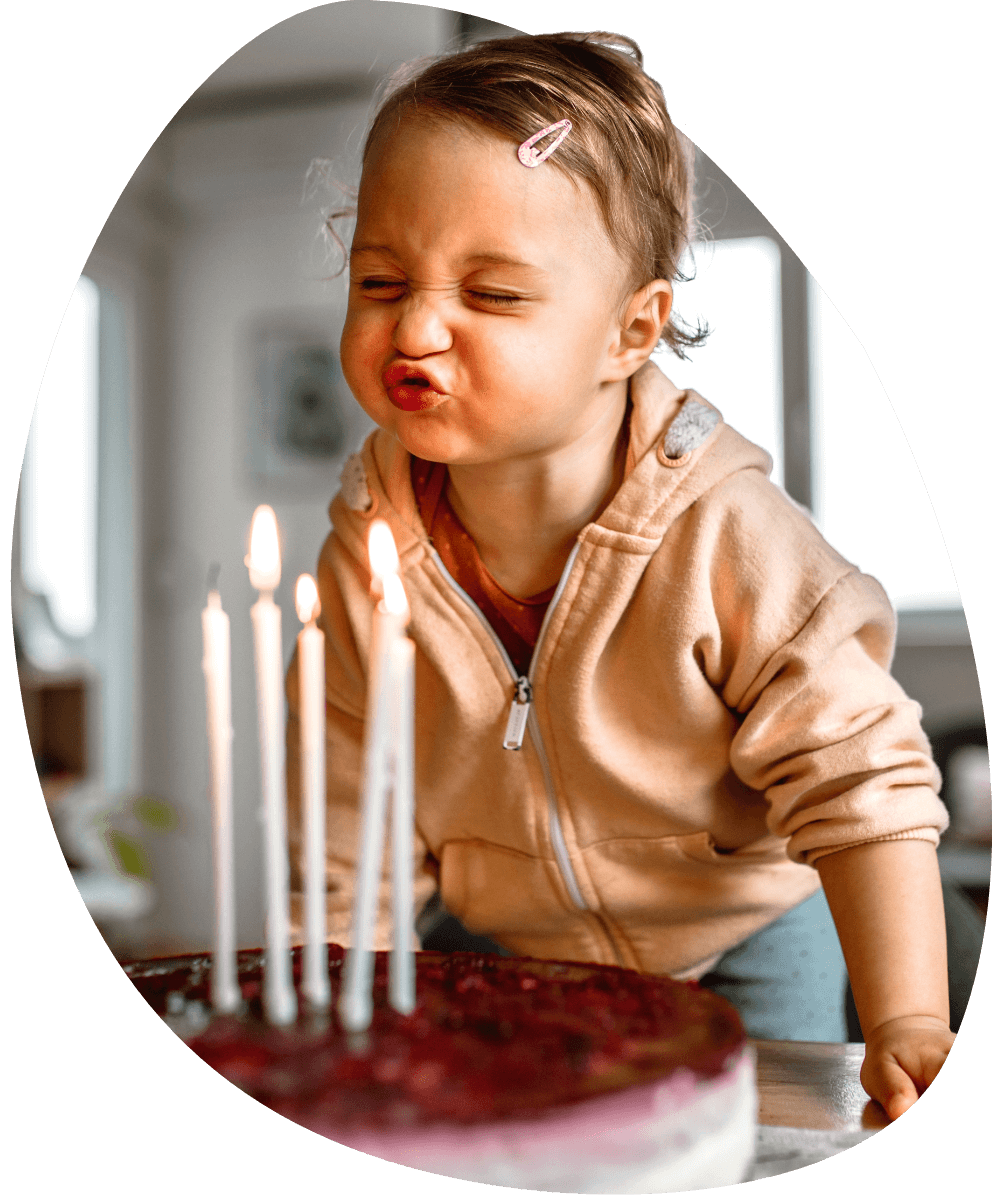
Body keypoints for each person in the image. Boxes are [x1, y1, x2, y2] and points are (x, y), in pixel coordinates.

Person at [284, 30, 955, 1123]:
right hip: (497, 948)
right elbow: (350, 815)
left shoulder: (725, 532)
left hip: (743, 935)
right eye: (380, 278)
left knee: (746, 1141)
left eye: (492, 294)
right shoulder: (368, 558)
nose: (413, 324)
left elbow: (862, 779)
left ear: (630, 329)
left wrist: (910, 1021)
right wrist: (348, 1014)